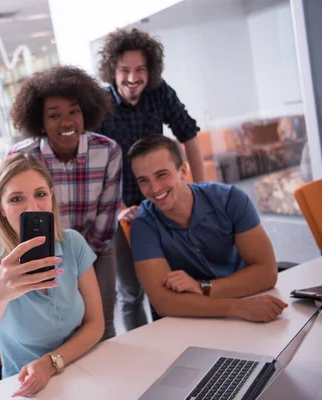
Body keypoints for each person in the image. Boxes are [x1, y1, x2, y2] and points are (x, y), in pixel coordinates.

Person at [0, 153, 104, 397]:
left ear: (51, 195)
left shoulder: (73, 244)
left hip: (85, 368)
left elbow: (96, 324)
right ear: (0, 206)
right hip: (29, 386)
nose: (32, 207)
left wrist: (51, 363)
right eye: (17, 198)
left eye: (40, 194)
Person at [95, 28, 206, 332]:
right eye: (125, 70)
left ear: (150, 70)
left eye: (140, 70)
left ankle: (174, 340)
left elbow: (188, 135)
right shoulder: (100, 105)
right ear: (112, 71)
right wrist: (118, 209)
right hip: (120, 208)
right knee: (131, 291)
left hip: (161, 200)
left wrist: (199, 189)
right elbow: (98, 164)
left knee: (168, 281)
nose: (133, 78)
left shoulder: (160, 91)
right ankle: (142, 354)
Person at [7, 65, 122, 340]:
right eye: (54, 115)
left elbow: (106, 220)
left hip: (96, 248)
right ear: (40, 122)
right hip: (42, 252)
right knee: (58, 331)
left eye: (74, 111)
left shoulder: (108, 151)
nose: (67, 121)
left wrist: (77, 261)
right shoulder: (22, 157)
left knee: (102, 326)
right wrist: (59, 260)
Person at [128, 135, 288, 322]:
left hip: (251, 301)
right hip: (199, 319)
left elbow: (266, 273)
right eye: (143, 180)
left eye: (162, 175)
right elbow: (164, 303)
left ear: (183, 170)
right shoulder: (144, 225)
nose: (154, 188)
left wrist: (203, 287)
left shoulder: (230, 200)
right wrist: (236, 307)